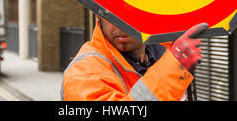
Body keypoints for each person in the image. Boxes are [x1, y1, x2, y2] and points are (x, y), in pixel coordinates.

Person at [61, 15, 207, 101]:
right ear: (98, 16)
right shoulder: (84, 73)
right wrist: (172, 72)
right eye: (111, 13)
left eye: (129, 13)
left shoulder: (166, 56)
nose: (120, 25)